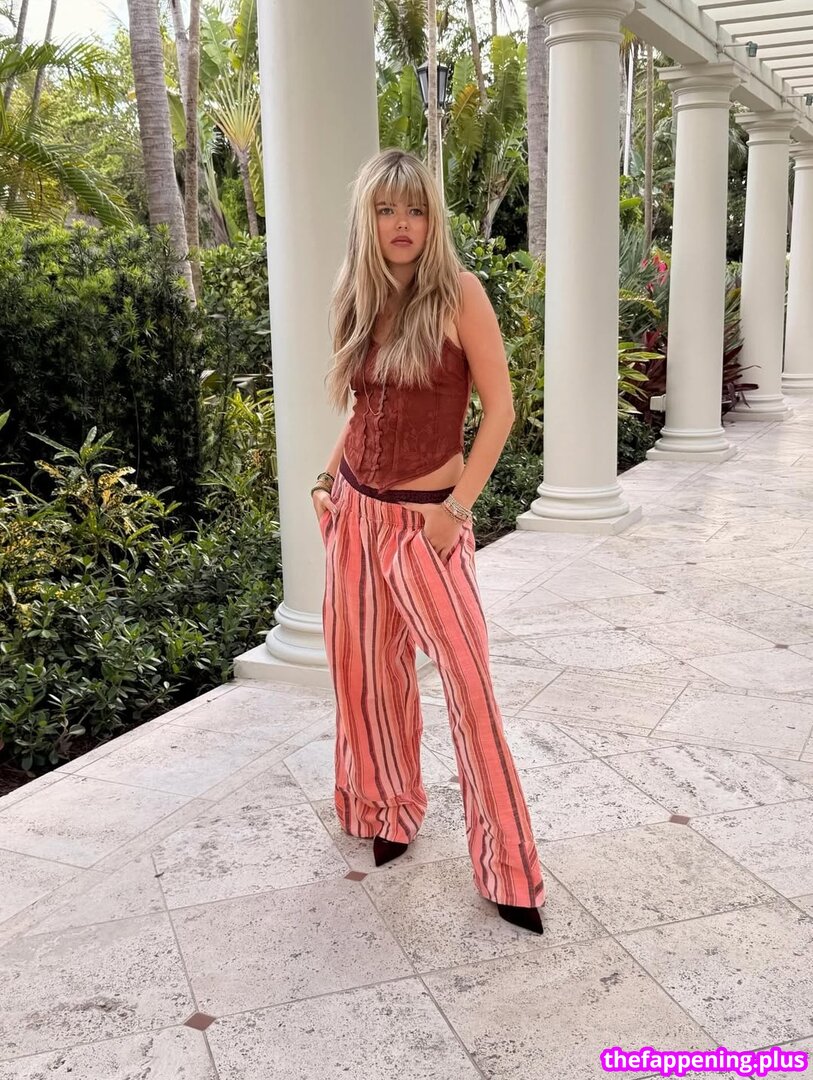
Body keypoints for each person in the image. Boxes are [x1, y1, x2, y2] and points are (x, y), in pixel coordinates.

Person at [310, 148, 545, 934]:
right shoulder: (359, 293)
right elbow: (362, 410)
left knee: (468, 686)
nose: (401, 224)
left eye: (413, 209)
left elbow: (500, 410)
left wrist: (456, 510)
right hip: (355, 514)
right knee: (366, 679)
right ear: (368, 219)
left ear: (432, 218)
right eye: (386, 210)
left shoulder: (459, 294)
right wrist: (324, 480)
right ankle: (386, 809)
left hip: (426, 523)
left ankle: (507, 869)